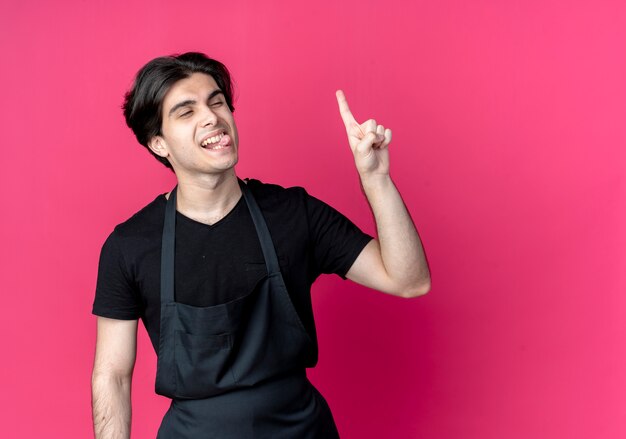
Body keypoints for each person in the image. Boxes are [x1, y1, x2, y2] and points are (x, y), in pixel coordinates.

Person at [91, 52, 431, 439]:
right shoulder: (129, 246)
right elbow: (112, 375)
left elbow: (409, 280)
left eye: (216, 101)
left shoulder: (293, 213)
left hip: (301, 429)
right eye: (186, 112)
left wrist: (376, 179)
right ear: (158, 143)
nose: (212, 117)